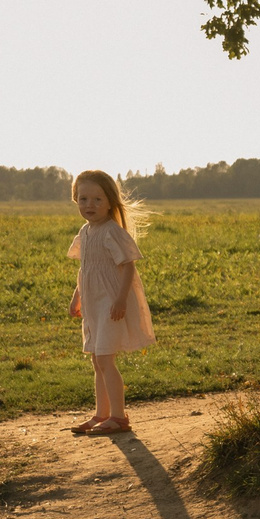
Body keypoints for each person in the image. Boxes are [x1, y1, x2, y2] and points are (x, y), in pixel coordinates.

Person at [67, 169, 154, 435]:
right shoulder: (85, 231)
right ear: (75, 200)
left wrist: (120, 300)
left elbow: (128, 267)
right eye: (83, 199)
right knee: (97, 359)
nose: (89, 205)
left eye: (97, 199)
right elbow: (86, 268)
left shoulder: (111, 231)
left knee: (105, 359)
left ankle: (118, 417)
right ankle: (101, 414)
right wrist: (77, 295)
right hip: (93, 302)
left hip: (110, 302)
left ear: (110, 202)